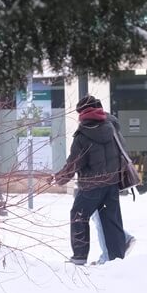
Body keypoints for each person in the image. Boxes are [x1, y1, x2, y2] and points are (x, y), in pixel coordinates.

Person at [52, 95, 127, 264]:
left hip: (92, 186)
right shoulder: (112, 128)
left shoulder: (83, 135)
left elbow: (74, 164)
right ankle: (117, 258)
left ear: (82, 113)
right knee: (112, 219)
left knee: (78, 215)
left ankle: (79, 256)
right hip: (112, 183)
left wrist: (59, 179)